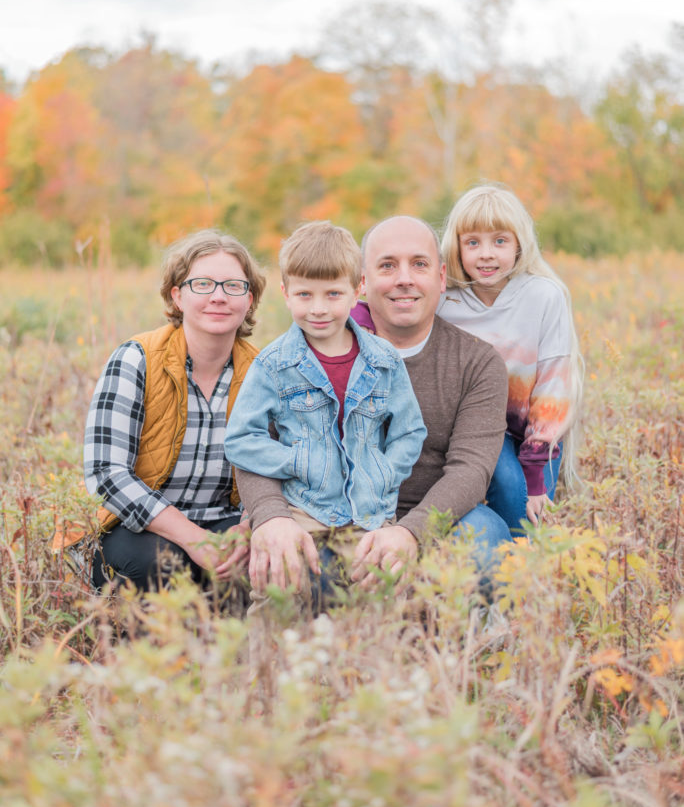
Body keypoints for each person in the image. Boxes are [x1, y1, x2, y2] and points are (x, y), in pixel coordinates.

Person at [235, 215, 511, 596]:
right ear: (362, 281)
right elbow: (251, 446)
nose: (404, 279)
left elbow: (470, 469)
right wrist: (269, 515)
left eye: (419, 264)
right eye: (387, 265)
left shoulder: (477, 362)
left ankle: (443, 639)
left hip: (435, 514)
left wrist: (411, 532)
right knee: (312, 582)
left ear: (442, 276)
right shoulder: (295, 356)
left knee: (483, 544)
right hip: (323, 513)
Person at [224, 221, 427, 605]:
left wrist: (384, 472)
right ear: (285, 294)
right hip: (302, 506)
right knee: (279, 584)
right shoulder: (273, 364)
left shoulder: (383, 361)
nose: (318, 309)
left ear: (358, 289)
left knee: (383, 590)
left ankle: (368, 662)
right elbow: (241, 438)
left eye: (333, 294)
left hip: (370, 508)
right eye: (304, 294)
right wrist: (298, 461)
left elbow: (409, 431)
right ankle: (270, 664)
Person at [82, 229, 266, 592]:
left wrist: (246, 530)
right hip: (142, 527)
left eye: (233, 286)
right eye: (202, 284)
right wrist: (194, 540)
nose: (218, 296)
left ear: (250, 300)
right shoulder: (136, 359)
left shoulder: (265, 373)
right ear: (177, 295)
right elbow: (106, 473)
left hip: (226, 523)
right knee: (160, 563)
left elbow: (275, 470)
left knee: (264, 557)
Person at [439, 182, 583, 536]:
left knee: (538, 508)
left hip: (537, 426)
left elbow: (554, 382)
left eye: (499, 241)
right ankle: (508, 569)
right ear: (456, 246)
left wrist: (536, 470)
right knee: (509, 487)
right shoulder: (446, 302)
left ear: (519, 243)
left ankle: (529, 575)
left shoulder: (543, 295)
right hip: (481, 425)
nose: (486, 254)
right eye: (473, 242)